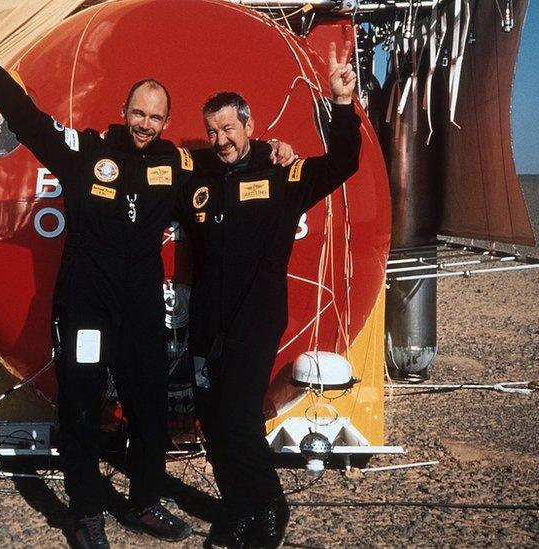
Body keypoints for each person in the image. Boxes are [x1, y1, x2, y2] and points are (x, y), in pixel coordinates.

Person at [0, 6, 297, 548]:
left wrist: (275, 148)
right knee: (83, 406)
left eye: (156, 118)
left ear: (164, 121)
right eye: (138, 113)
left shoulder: (176, 163)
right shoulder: (88, 152)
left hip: (138, 305)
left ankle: (145, 502)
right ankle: (85, 512)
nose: (145, 124)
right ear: (125, 109)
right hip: (86, 304)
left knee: (150, 406)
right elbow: (31, 122)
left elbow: (230, 157)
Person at [177, 41, 361, 548]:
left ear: (249, 127)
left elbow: (345, 161)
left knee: (237, 419)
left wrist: (341, 103)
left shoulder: (282, 172)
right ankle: (236, 508)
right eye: (212, 130)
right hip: (207, 320)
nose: (220, 140)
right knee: (213, 421)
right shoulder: (199, 172)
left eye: (229, 129)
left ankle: (270, 506)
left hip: (255, 318)